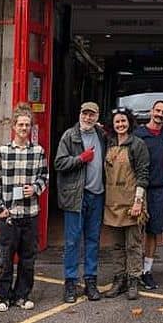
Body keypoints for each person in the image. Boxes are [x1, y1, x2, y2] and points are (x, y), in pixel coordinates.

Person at [0, 102, 49, 312]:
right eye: (20, 125)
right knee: (6, 259)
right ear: (14, 127)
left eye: (27, 125)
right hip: (9, 214)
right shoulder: (2, 152)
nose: (24, 128)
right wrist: (0, 208)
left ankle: (22, 296)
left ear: (31, 128)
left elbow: (45, 177)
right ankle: (4, 297)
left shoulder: (38, 151)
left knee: (27, 259)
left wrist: (35, 188)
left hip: (30, 213)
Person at [54, 101, 106, 303]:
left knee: (93, 240)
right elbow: (59, 163)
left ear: (97, 117)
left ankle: (91, 281)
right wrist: (81, 158)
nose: (87, 118)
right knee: (72, 241)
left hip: (97, 195)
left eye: (92, 115)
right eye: (85, 114)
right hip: (76, 196)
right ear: (80, 114)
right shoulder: (70, 136)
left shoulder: (101, 135)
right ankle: (70, 282)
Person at [103, 107, 150, 300]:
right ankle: (119, 279)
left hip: (132, 202)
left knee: (133, 245)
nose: (120, 125)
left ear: (129, 122)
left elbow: (143, 174)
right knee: (116, 246)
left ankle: (133, 280)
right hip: (112, 203)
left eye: (123, 121)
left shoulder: (137, 144)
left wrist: (138, 202)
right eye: (117, 122)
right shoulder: (109, 142)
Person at [134, 100, 163, 290]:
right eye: (157, 110)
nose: (160, 114)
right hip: (139, 189)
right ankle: (133, 271)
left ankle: (147, 271)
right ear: (151, 111)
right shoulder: (138, 134)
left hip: (158, 190)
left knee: (153, 231)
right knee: (135, 230)